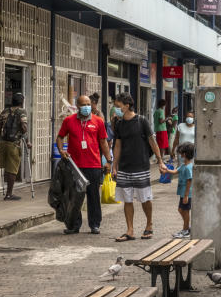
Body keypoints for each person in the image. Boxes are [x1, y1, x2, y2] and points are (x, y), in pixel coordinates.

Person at [111, 93, 167, 241]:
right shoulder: (119, 124)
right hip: (124, 167)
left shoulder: (142, 121)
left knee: (145, 198)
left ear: (127, 105)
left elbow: (152, 141)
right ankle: (130, 230)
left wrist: (160, 161)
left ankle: (149, 225)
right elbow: (117, 145)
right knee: (127, 199)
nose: (116, 109)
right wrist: (114, 166)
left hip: (141, 166)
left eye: (118, 106)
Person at [56, 95, 113, 234]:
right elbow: (60, 137)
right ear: (78, 106)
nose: (87, 106)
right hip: (74, 166)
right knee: (74, 196)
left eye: (88, 104)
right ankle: (74, 225)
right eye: (84, 104)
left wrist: (108, 160)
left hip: (93, 165)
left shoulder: (98, 121)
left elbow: (103, 142)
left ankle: (95, 224)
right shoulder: (69, 121)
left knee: (93, 196)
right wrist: (61, 150)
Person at [0, 92, 28, 201]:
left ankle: (8, 192)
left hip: (3, 142)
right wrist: (27, 141)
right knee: (13, 168)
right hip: (14, 143)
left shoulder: (4, 111)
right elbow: (24, 127)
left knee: (7, 166)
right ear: (21, 102)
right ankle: (9, 194)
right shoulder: (22, 111)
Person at [163, 142, 194, 238]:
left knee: (184, 210)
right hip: (183, 193)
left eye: (180, 153)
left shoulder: (188, 167)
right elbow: (176, 171)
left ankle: (185, 230)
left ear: (184, 154)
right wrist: (166, 170)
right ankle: (186, 227)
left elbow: (189, 181)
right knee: (182, 210)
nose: (179, 155)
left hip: (186, 194)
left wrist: (186, 196)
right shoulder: (184, 165)